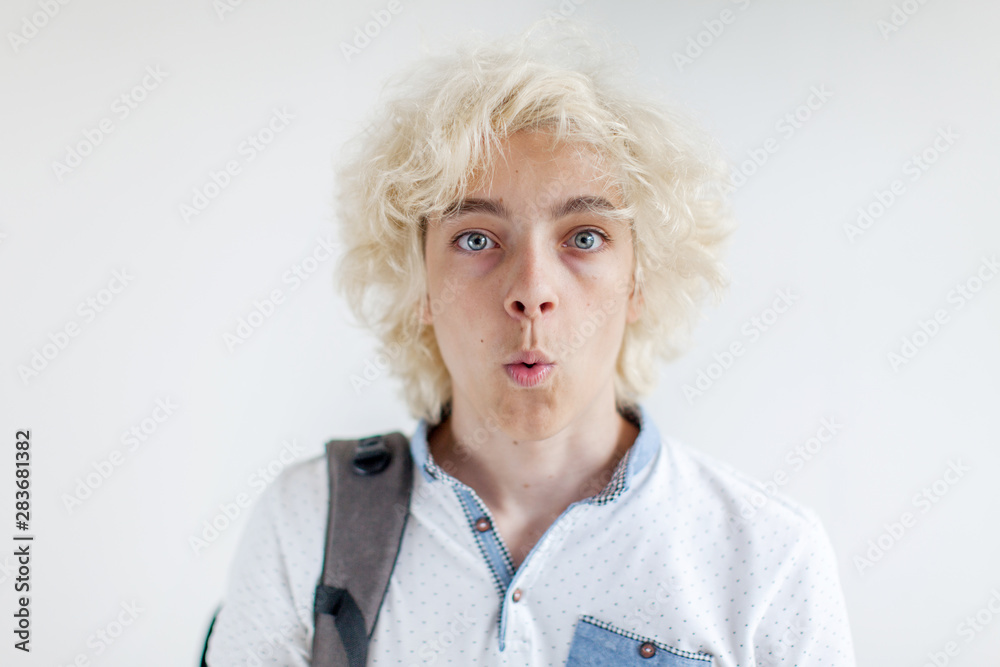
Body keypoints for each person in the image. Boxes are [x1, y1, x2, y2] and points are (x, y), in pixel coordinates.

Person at [206, 21, 856, 666]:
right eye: (477, 238)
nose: (530, 291)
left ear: (639, 280)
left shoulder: (769, 557)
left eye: (584, 237)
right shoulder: (306, 523)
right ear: (420, 284)